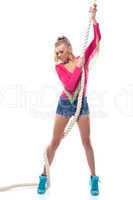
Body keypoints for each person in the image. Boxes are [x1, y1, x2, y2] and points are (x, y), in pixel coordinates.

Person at [37, 3, 101, 196]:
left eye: (62, 51)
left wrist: (94, 20)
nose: (59, 55)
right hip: (65, 104)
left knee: (86, 142)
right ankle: (42, 176)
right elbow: (71, 85)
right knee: (55, 142)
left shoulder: (82, 58)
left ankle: (94, 178)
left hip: (82, 105)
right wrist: (79, 67)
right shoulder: (60, 68)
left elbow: (97, 40)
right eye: (57, 52)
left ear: (69, 48)